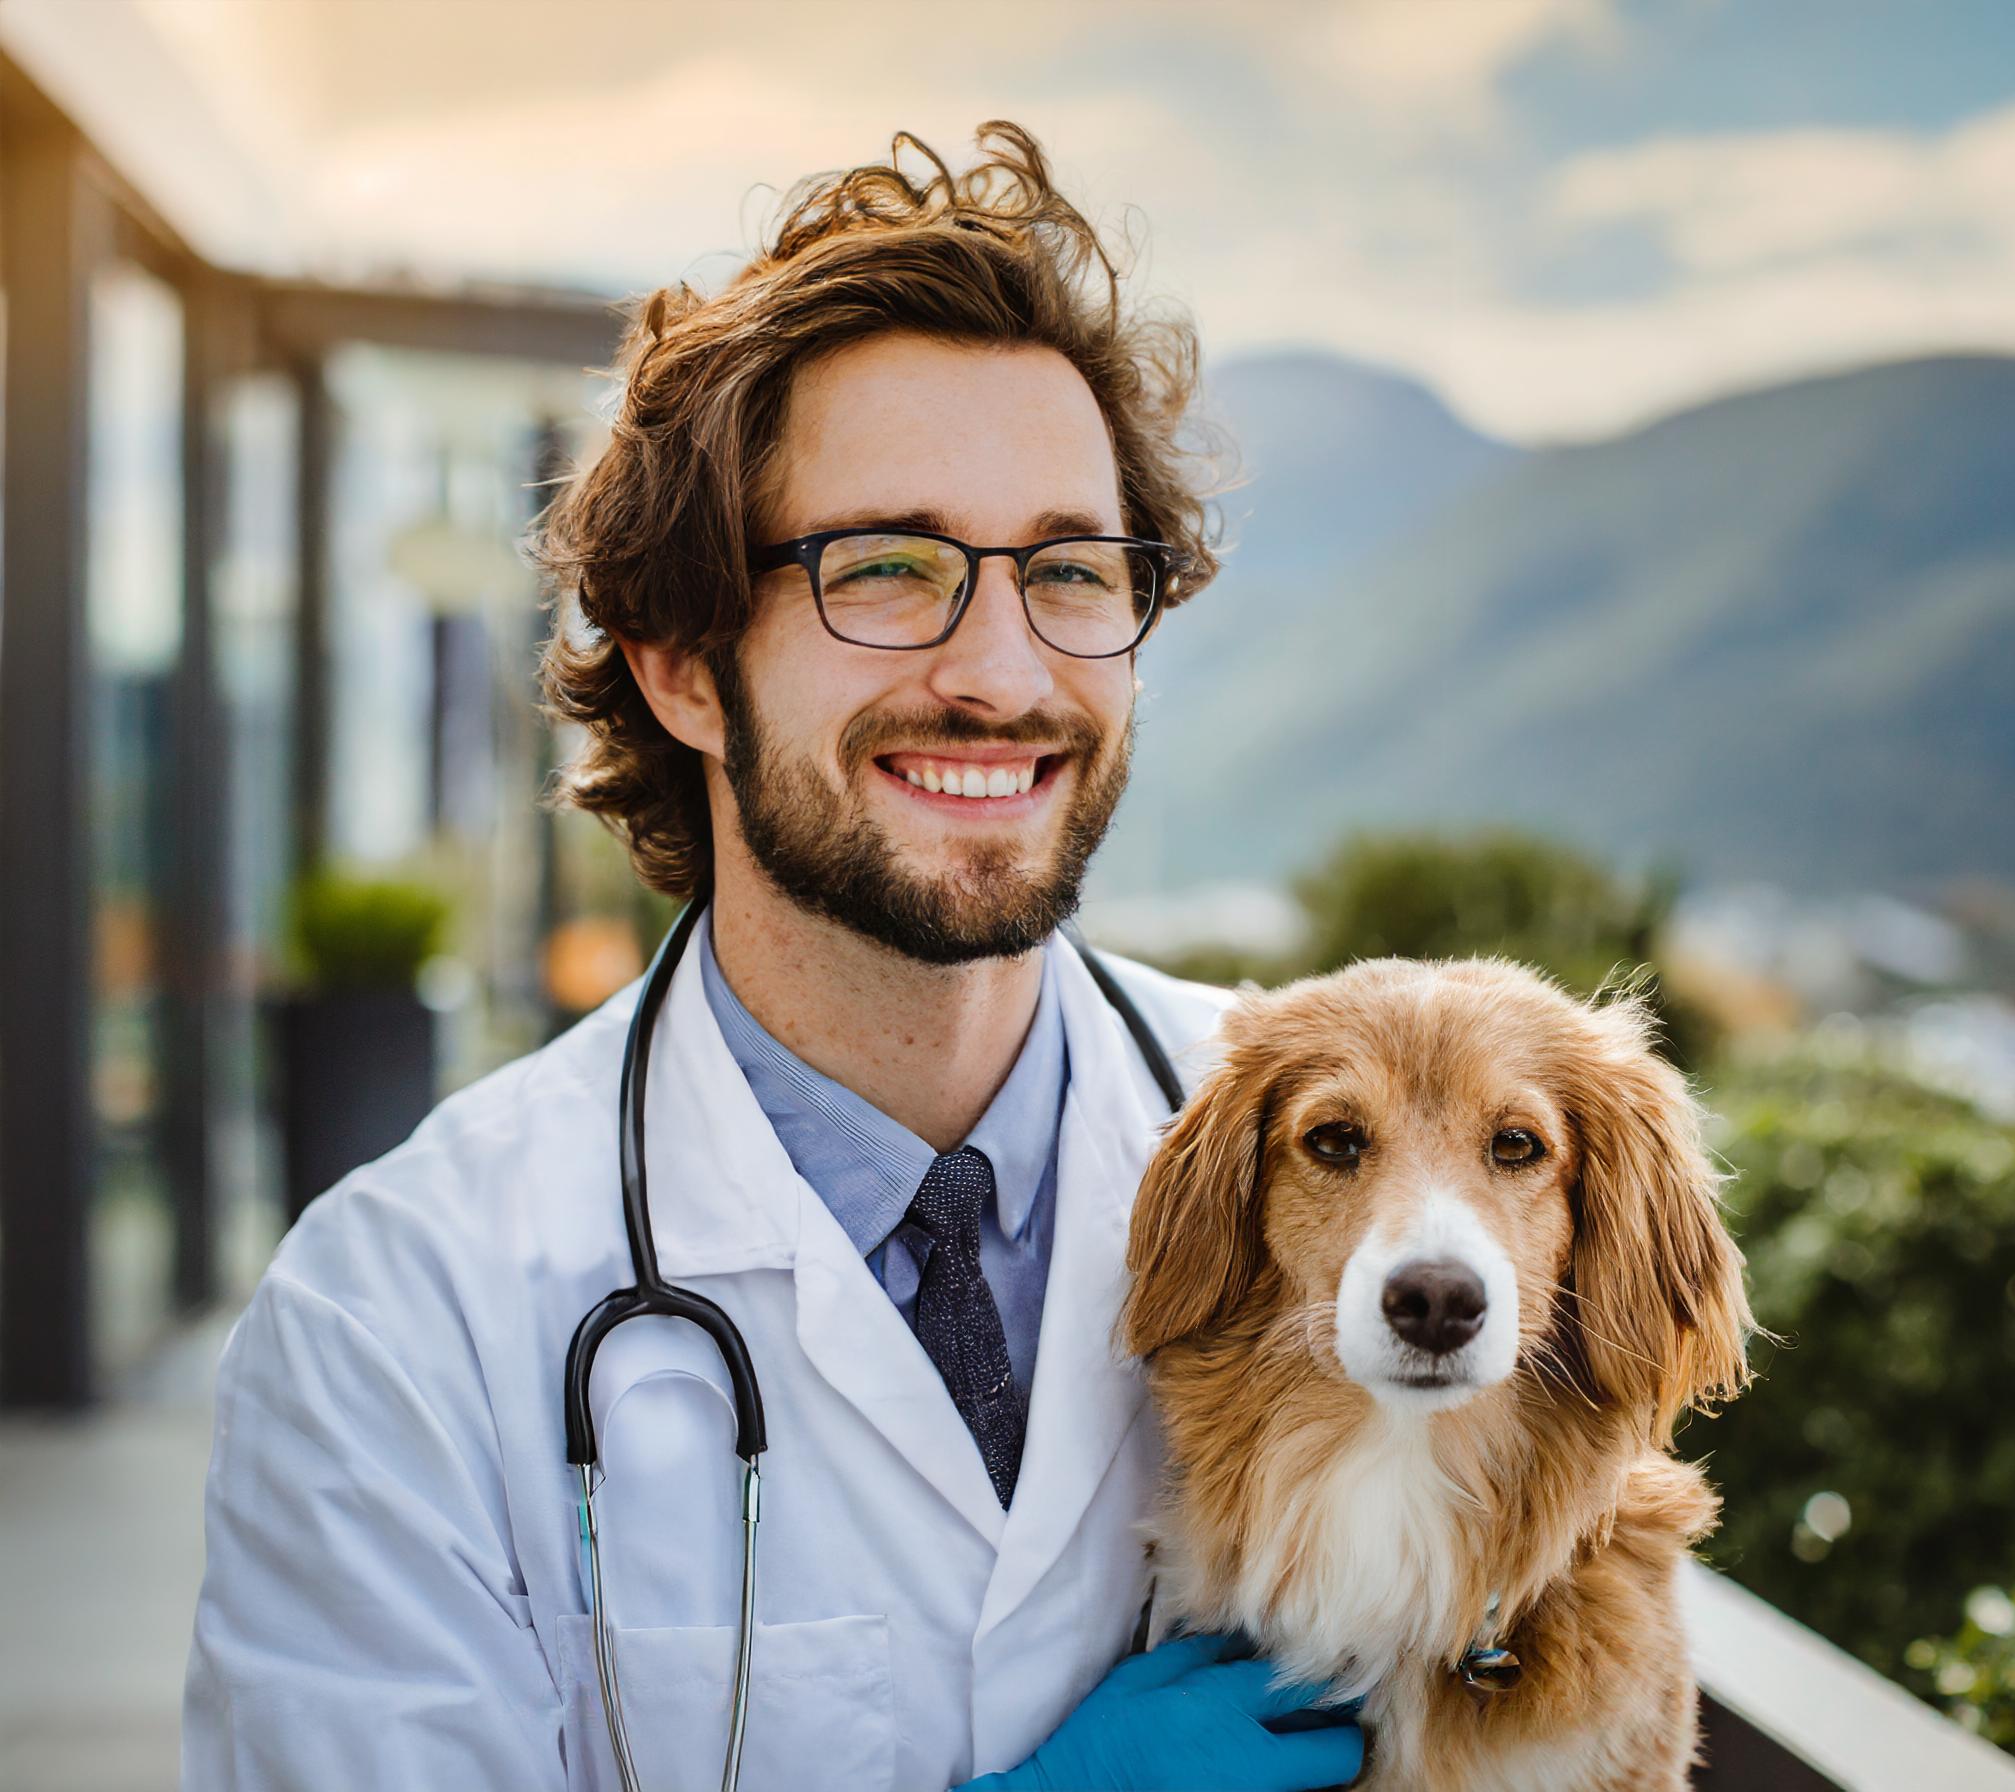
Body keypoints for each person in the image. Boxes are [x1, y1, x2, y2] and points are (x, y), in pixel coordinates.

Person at [181, 123, 1365, 1792]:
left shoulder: (1348, 1165)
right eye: (888, 568)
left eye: (1073, 573)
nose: (1002, 671)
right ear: (677, 662)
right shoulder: (396, 1321)